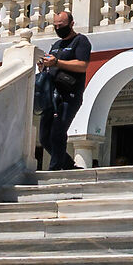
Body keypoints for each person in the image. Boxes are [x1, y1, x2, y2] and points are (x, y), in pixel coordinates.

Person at [33, 10, 91, 170]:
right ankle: (67, 164)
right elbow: (51, 65)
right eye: (56, 26)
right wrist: (44, 66)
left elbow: (82, 65)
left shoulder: (80, 41)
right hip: (51, 96)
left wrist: (57, 62)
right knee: (44, 137)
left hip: (68, 96)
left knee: (58, 132)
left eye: (62, 25)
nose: (59, 28)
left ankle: (55, 168)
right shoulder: (56, 45)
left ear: (71, 24)